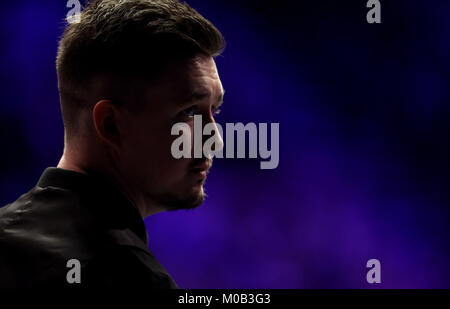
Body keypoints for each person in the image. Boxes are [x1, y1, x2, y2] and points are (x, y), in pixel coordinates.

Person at [0, 0, 225, 288]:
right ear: (111, 124)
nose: (215, 140)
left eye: (214, 110)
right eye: (190, 112)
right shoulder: (130, 276)